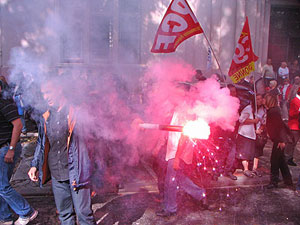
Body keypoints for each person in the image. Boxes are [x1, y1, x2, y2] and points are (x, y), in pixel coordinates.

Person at [27, 79, 96, 225]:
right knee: (64, 215)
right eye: (43, 93)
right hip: (57, 174)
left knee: (84, 215)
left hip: (76, 172)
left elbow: (93, 143)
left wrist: (94, 172)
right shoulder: (46, 116)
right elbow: (42, 142)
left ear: (59, 89)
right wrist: (34, 165)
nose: (46, 97)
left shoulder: (76, 113)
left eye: (49, 92)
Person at [0, 79, 38, 225]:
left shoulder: (4, 103)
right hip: (3, 148)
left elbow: (18, 125)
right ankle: (5, 217)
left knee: (2, 186)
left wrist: (11, 148)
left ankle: (26, 212)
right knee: (1, 185)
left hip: (6, 148)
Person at [156, 110, 206, 217]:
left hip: (178, 154)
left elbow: (184, 137)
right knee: (180, 179)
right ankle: (201, 195)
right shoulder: (177, 111)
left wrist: (177, 158)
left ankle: (170, 209)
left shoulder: (183, 112)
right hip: (175, 153)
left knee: (170, 182)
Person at [264, 94, 293, 189]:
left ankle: (274, 181)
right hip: (278, 139)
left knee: (275, 160)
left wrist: (281, 140)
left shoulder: (273, 112)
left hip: (279, 140)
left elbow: (280, 127)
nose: (263, 101)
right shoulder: (273, 110)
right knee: (281, 161)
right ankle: (288, 180)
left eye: (265, 99)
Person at [235, 100, 259, 178]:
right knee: (245, 152)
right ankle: (246, 169)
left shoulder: (261, 109)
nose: (259, 101)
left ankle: (254, 169)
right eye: (257, 99)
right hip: (245, 133)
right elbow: (241, 120)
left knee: (254, 152)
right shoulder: (248, 109)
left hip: (254, 134)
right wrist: (253, 121)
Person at [223, 84, 238, 180]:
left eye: (235, 91)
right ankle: (217, 171)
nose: (234, 93)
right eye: (232, 91)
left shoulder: (236, 103)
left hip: (232, 133)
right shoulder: (223, 102)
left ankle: (228, 171)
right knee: (221, 154)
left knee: (231, 155)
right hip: (223, 133)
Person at [252, 94, 267, 177]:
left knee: (257, 151)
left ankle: (255, 167)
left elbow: (264, 121)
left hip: (259, 132)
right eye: (257, 99)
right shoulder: (251, 108)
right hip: (250, 131)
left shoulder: (264, 110)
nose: (259, 101)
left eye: (260, 99)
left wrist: (260, 129)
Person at [285, 87, 300, 166]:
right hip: (294, 126)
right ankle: (287, 158)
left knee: (294, 143)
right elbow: (291, 114)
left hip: (297, 125)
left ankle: (289, 158)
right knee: (291, 143)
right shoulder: (295, 101)